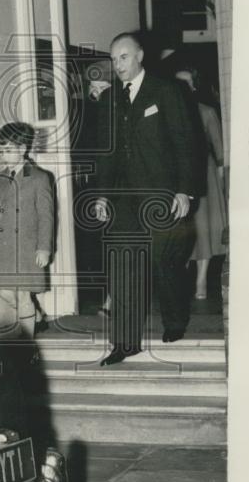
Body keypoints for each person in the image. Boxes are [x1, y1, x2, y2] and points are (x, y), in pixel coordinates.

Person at [94, 33, 198, 366]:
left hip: (161, 194)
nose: (117, 65)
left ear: (139, 55)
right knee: (123, 267)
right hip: (123, 199)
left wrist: (184, 189)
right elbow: (106, 153)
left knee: (162, 262)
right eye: (113, 59)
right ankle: (126, 342)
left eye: (123, 57)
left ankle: (175, 320)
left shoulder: (166, 91)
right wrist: (102, 195)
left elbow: (185, 144)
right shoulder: (109, 99)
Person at [0, 122, 54, 338]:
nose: (4, 154)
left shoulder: (39, 177)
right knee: (5, 293)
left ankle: (27, 346)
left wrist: (44, 248)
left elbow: (46, 216)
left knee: (23, 296)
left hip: (27, 247)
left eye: (8, 149)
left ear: (22, 149)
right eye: (1, 150)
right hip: (3, 247)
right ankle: (36, 316)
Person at [174, 65, 227, 299]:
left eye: (187, 82)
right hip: (174, 179)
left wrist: (223, 186)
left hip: (203, 179)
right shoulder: (168, 112)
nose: (183, 88)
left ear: (194, 86)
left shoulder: (206, 112)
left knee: (204, 230)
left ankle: (201, 280)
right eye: (178, 83)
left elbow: (220, 153)